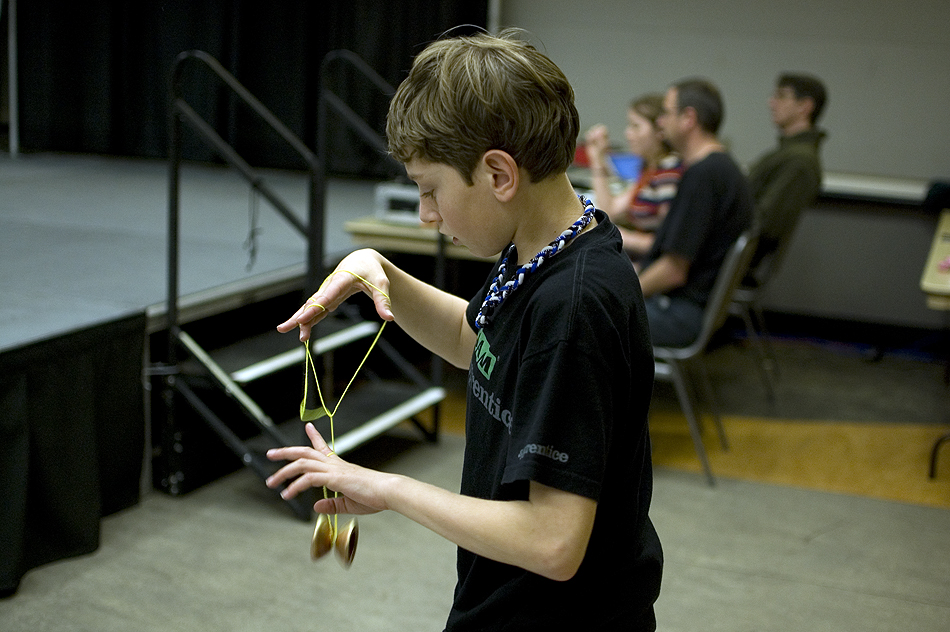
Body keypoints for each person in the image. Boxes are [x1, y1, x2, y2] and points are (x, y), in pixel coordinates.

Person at [266, 30, 662, 631]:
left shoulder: (573, 306)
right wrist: (379, 269)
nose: (428, 215)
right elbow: (471, 340)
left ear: (499, 173)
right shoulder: (543, 245)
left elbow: (553, 542)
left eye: (431, 191)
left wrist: (387, 487)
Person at [637, 78, 754, 347]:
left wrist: (625, 294)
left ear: (688, 118)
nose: (661, 122)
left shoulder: (704, 176)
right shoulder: (723, 168)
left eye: (666, 112)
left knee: (582, 314)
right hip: (696, 309)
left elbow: (674, 271)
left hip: (681, 314)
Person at [745, 72, 828, 280]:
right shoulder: (787, 154)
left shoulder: (799, 161)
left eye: (781, 96)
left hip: (734, 264)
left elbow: (763, 224)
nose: (771, 103)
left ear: (805, 106)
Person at [584, 94, 684, 258]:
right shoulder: (652, 169)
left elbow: (668, 243)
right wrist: (597, 159)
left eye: (636, 126)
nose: (628, 134)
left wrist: (620, 235)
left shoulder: (669, 172)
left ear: (659, 131)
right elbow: (610, 209)